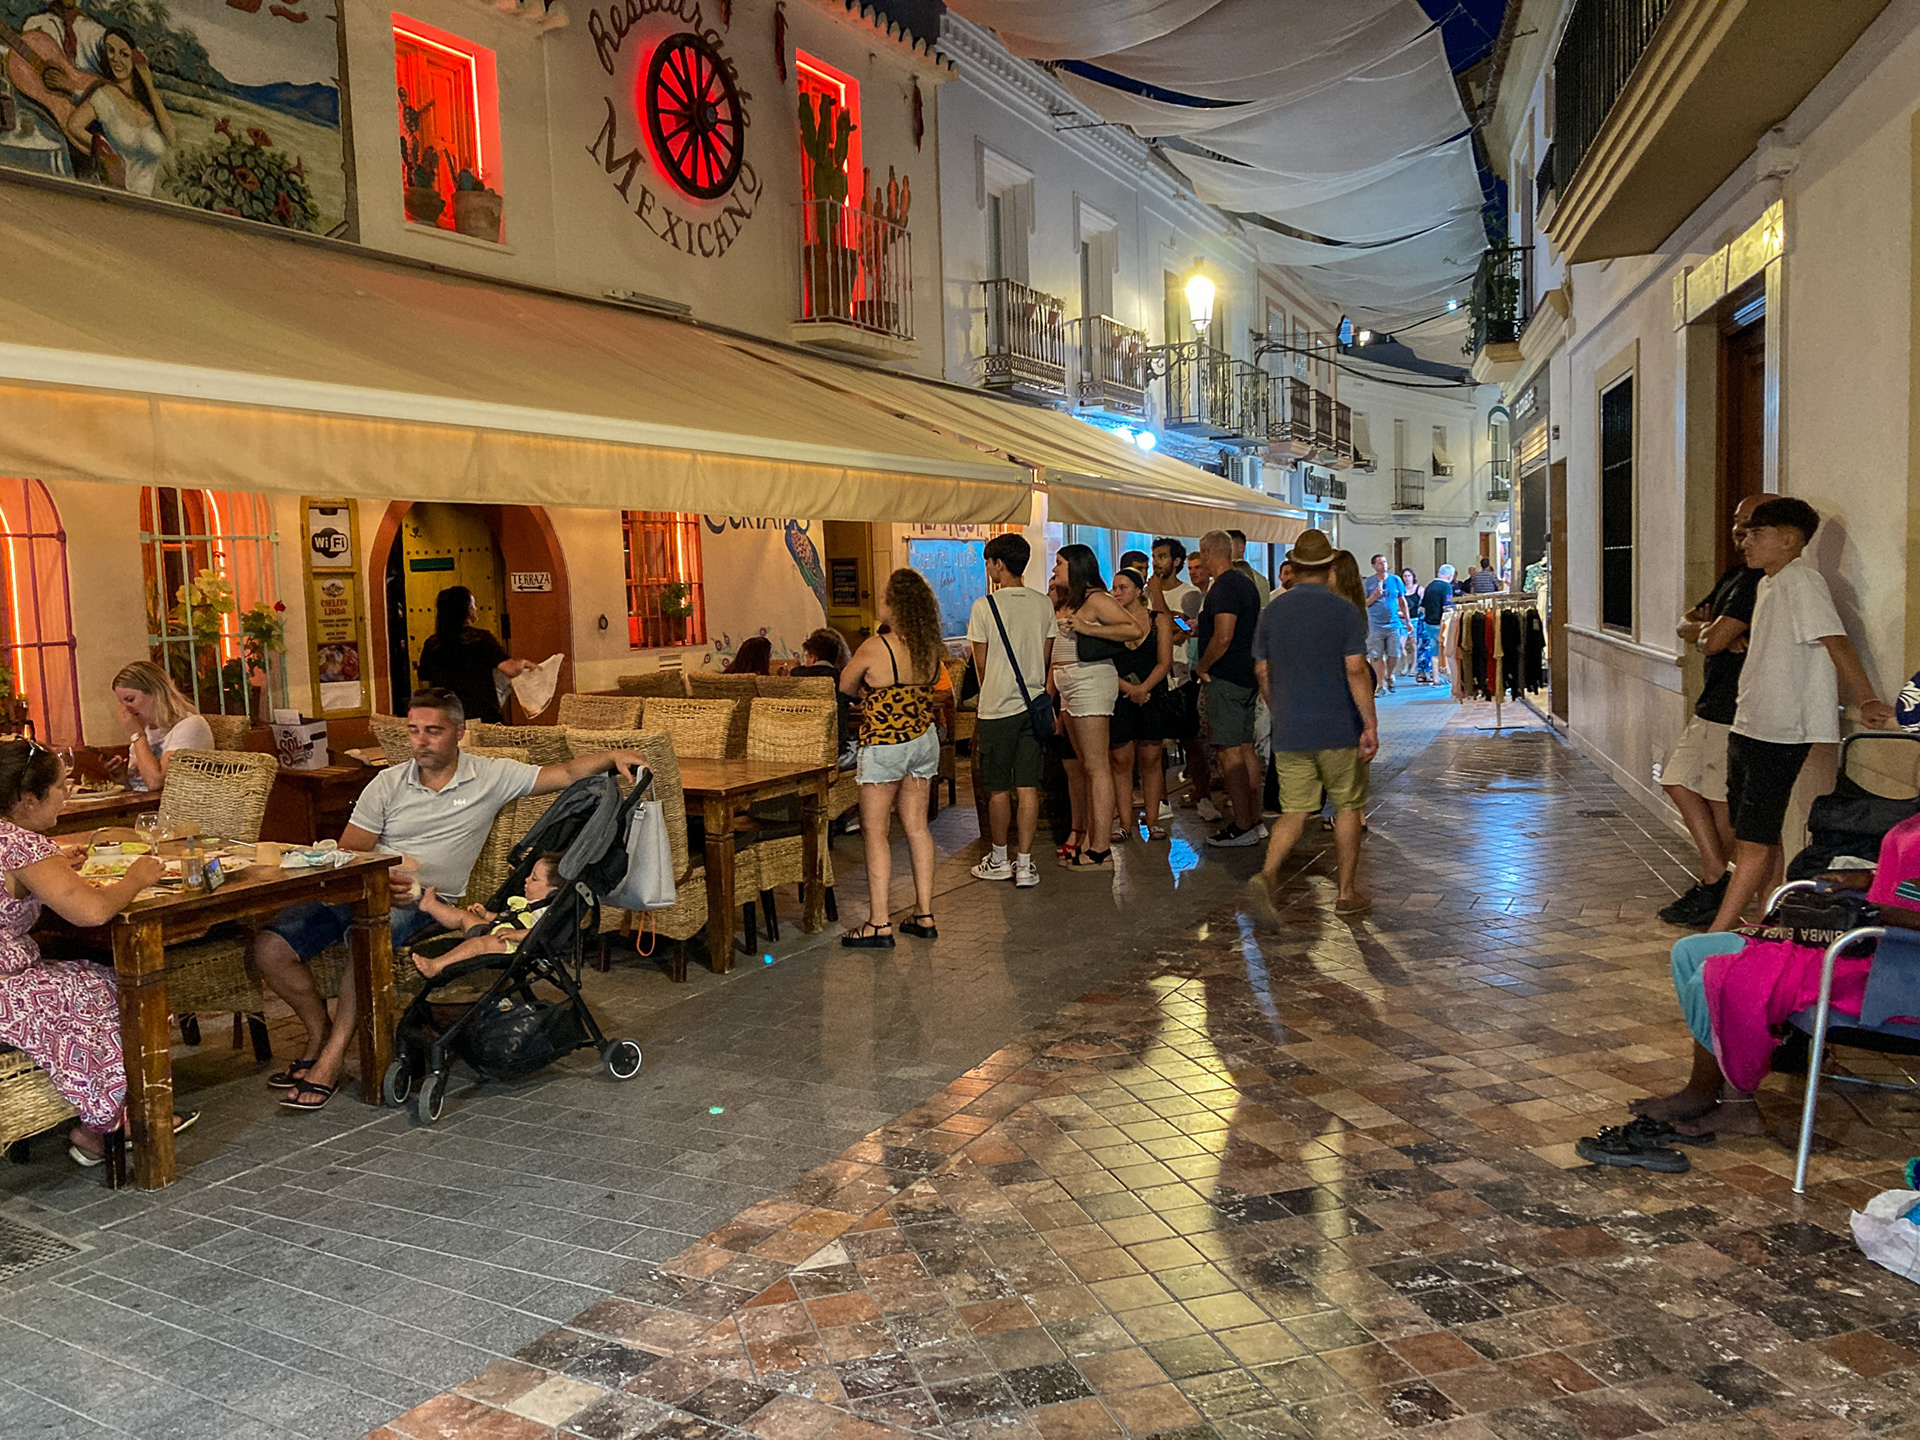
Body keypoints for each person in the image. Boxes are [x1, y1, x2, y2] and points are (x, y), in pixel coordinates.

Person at [253, 688, 644, 1112]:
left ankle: (330, 1059)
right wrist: (382, 871)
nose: (419, 741)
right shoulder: (386, 784)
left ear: (459, 732)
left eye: (432, 731)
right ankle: (318, 1032)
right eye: (413, 730)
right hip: (365, 887)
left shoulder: (489, 776)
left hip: (425, 902)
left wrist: (613, 755)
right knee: (269, 948)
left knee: (363, 943)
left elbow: (566, 773)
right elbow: (351, 852)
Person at [1607, 812, 1920, 1158]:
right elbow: (1906, 879)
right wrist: (1865, 880)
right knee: (1690, 952)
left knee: (1721, 975)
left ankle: (1718, 1098)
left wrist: (1878, 913)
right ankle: (1721, 1094)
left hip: (1892, 970)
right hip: (1864, 945)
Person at [0, 739, 198, 1167]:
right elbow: (91, 912)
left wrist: (55, 869)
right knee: (119, 990)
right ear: (27, 799)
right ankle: (106, 1122)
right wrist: (136, 877)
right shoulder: (22, 846)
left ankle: (104, 1115)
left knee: (93, 979)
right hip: (6, 990)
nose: (66, 794)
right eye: (60, 787)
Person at [1705, 497, 1894, 933]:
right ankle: (1766, 919)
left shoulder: (1803, 582)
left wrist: (1866, 698)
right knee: (1757, 833)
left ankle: (1718, 934)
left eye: (1757, 534)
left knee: (1754, 837)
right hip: (1750, 721)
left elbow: (1835, 641)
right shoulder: (1769, 583)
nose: (1745, 542)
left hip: (1781, 729)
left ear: (1789, 540)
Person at [1245, 530, 1379, 917]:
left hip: (1291, 728)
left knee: (1295, 810)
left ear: (1297, 566)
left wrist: (1278, 710)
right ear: (1326, 567)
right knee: (1348, 806)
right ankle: (1347, 893)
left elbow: (1262, 670)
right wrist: (1369, 723)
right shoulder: (1344, 611)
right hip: (1339, 727)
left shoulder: (1273, 612)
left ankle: (1267, 874)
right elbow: (1355, 670)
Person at [1658, 498, 1764, 926]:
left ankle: (1719, 889)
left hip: (1737, 707)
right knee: (1677, 780)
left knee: (1723, 804)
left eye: (1751, 528)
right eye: (1738, 526)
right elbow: (1686, 624)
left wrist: (1715, 634)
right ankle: (1718, 876)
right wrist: (1711, 631)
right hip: (1710, 703)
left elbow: (1715, 638)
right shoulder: (1735, 576)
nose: (1741, 536)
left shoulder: (1763, 584)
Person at [839, 569, 945, 945]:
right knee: (916, 827)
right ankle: (924, 914)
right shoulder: (931, 647)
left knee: (876, 831)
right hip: (923, 739)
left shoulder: (875, 646)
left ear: (895, 606)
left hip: (884, 743)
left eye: (884, 597)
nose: (878, 602)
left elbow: (845, 684)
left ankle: (879, 922)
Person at [1047, 545, 1149, 870]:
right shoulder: (1070, 600)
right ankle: (1092, 838)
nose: (1054, 569)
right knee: (1086, 765)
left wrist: (1089, 628)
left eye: (1059, 564)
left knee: (1096, 765)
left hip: (1090, 681)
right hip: (1069, 684)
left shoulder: (1096, 599)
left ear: (1076, 566)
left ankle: (1101, 848)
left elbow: (1133, 629)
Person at [966, 535, 1052, 889]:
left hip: (997, 708)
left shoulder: (984, 607)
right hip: (1033, 706)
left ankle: (1000, 859)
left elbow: (981, 664)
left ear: (998, 564)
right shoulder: (1044, 604)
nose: (988, 569)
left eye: (989, 563)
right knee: (1028, 786)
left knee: (998, 789)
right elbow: (1045, 657)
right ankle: (1026, 863)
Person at [1193, 531, 1264, 848]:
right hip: (1246, 674)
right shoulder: (1246, 584)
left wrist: (1203, 666)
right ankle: (1255, 817)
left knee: (1229, 751)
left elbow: (1223, 636)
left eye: (1201, 556)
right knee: (1246, 747)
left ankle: (1243, 824)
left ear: (1209, 552)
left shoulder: (1222, 588)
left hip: (1226, 678)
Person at [410, 854, 563, 980]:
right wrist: (486, 915)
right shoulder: (525, 903)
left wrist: (517, 935)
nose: (526, 879)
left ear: (553, 892)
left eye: (534, 879)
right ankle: (431, 905)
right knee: (464, 916)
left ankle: (436, 966)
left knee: (477, 945)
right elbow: (506, 917)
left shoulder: (544, 911)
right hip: (493, 929)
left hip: (509, 945)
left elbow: (541, 933)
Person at [62, 28, 173, 196]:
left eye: (124, 54)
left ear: (134, 59)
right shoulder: (103, 95)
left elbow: (171, 138)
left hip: (145, 202)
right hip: (113, 195)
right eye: (110, 51)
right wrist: (106, 151)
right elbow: (73, 126)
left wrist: (149, 84)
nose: (115, 59)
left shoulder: (145, 107)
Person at [1108, 567, 1174, 842]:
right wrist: (1130, 689)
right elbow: (1107, 663)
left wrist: (1143, 689)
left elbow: (1164, 661)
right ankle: (1124, 822)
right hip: (1121, 695)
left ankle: (1153, 818)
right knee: (1121, 760)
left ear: (1138, 590)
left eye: (1123, 587)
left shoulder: (1158, 620)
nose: (1117, 593)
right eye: (1114, 588)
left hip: (1151, 695)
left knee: (1151, 758)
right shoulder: (1109, 624)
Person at [415, 586, 531, 725]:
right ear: (468, 610)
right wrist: (522, 663)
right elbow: (510, 669)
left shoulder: (432, 644)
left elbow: (425, 684)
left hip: (448, 718)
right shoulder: (481, 639)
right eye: (473, 605)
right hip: (483, 717)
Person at [1148, 539, 1200, 814]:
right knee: (1155, 744)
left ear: (1177, 562)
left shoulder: (1189, 593)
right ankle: (1161, 799)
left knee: (1190, 741)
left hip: (1180, 676)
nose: (1156, 562)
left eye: (1162, 556)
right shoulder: (1148, 593)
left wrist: (1157, 598)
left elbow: (1182, 629)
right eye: (1154, 556)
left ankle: (1202, 796)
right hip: (1154, 676)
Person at [109, 660, 213, 792]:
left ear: (155, 692)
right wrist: (122, 779)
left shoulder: (191, 726)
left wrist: (137, 736)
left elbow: (155, 783)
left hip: (175, 810)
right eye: (121, 703)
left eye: (130, 700)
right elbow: (139, 788)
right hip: (143, 808)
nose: (126, 709)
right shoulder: (145, 731)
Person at [789, 628, 856, 768]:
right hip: (836, 754)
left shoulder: (795, 675)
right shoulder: (841, 677)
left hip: (800, 752)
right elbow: (858, 699)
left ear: (813, 657)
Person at [1362, 555, 1407, 696]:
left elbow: (1402, 600)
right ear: (1374, 566)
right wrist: (1374, 597)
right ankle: (1380, 685)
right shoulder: (1368, 582)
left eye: (1385, 562)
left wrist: (1408, 621)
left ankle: (1389, 674)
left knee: (1395, 654)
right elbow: (1363, 604)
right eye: (1380, 563)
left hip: (1393, 623)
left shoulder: (1395, 580)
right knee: (1376, 655)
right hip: (1375, 624)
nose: (1383, 565)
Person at [1417, 566, 1454, 684]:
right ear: (1450, 576)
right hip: (1441, 623)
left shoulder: (1429, 586)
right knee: (1446, 650)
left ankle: (1436, 679)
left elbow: (1422, 607)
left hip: (1429, 623)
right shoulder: (1446, 587)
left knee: (1434, 651)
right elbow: (1447, 606)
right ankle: (1448, 677)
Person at [1227, 529, 1272, 607]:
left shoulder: (1260, 581)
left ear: (1241, 547)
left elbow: (1262, 612)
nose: (1224, 551)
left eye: (1228, 545)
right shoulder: (1218, 577)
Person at [1396, 569, 1421, 678]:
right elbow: (1397, 605)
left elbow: (1423, 605)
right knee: (1401, 645)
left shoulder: (1419, 589)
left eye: (1409, 576)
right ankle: (1406, 664)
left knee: (1414, 644)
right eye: (1404, 576)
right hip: (1402, 621)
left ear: (1413, 577)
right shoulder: (1400, 591)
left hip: (1415, 619)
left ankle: (1414, 667)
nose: (1407, 578)